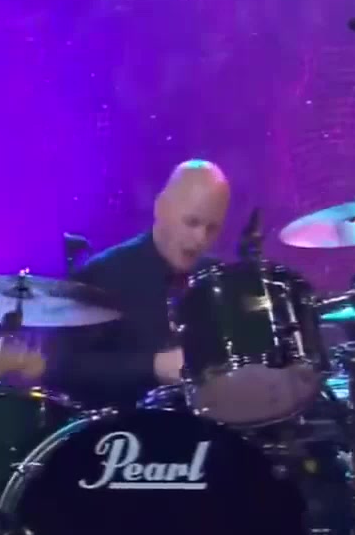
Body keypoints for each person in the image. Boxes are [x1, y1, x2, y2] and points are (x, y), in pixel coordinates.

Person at [44, 160, 230, 410]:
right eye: (192, 222)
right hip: (121, 429)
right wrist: (152, 366)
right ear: (161, 208)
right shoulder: (105, 273)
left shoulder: (217, 280)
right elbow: (61, 369)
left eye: (212, 228)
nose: (200, 238)